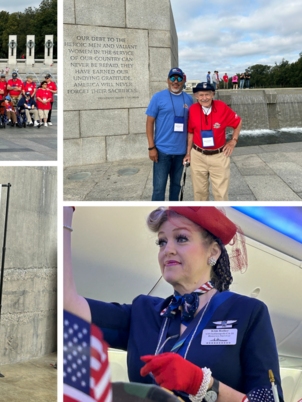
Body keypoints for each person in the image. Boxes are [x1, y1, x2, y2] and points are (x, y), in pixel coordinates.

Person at [63, 205, 283, 402]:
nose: (167, 249)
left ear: (213, 252)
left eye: (181, 238)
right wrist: (65, 214)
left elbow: (268, 401)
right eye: (162, 241)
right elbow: (68, 308)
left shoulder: (248, 313)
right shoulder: (143, 312)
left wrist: (203, 385)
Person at [184, 82, 241, 201]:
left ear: (213, 94)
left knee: (221, 194)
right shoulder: (193, 109)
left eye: (207, 94)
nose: (204, 98)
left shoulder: (221, 107)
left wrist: (233, 141)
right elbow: (190, 132)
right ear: (196, 96)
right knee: (199, 193)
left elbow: (238, 121)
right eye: (201, 95)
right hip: (198, 155)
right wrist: (188, 153)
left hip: (219, 156)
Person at [145, 68, 194, 201]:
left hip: (181, 152)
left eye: (179, 78)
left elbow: (192, 126)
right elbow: (149, 123)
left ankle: (173, 213)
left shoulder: (189, 99)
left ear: (183, 81)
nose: (175, 81)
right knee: (159, 188)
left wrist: (189, 151)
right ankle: (158, 215)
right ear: (168, 80)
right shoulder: (158, 97)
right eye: (172, 78)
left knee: (176, 186)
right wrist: (151, 147)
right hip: (162, 152)